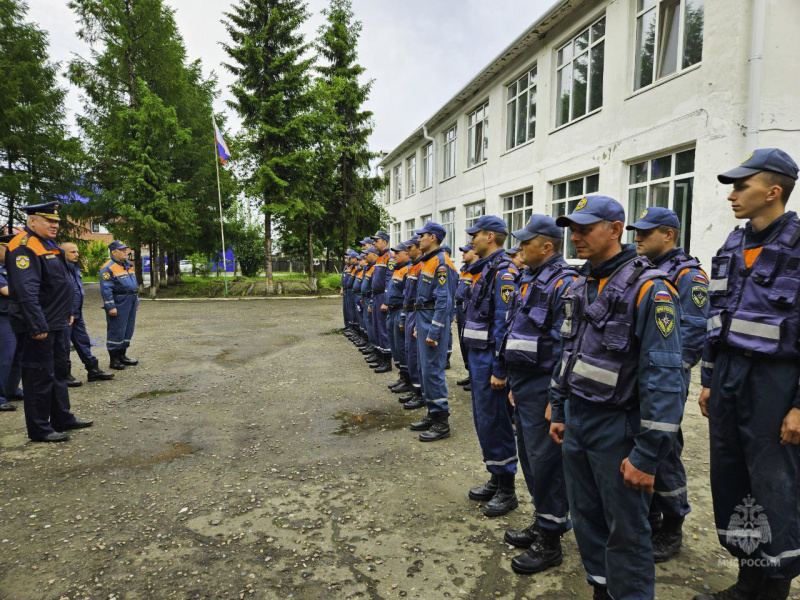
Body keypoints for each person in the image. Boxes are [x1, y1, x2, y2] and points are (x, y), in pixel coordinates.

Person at [549, 195, 685, 600]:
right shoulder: (581, 284)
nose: (576, 237)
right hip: (578, 420)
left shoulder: (650, 289)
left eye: (586, 228)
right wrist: (558, 408)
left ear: (614, 229)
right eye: (572, 229)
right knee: (587, 519)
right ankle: (602, 590)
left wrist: (648, 455)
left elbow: (665, 379)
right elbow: (568, 353)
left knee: (626, 531)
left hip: (619, 429)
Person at [696, 149, 800, 600]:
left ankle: (774, 589)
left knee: (773, 487)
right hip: (729, 379)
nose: (732, 195)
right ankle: (748, 581)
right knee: (733, 480)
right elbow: (714, 317)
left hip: (776, 382)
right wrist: (707, 378)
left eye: (742, 186)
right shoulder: (732, 246)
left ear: (773, 191)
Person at [626, 206, 708, 562]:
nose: (637, 238)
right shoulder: (641, 269)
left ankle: (673, 524)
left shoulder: (689, 275)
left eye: (646, 232)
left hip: (666, 379)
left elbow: (691, 333)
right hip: (637, 378)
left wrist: (670, 376)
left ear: (669, 235)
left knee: (665, 448)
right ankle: (651, 514)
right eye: (636, 232)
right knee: (640, 441)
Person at [501, 215, 577, 574]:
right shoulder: (528, 279)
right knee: (530, 459)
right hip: (524, 383)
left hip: (545, 386)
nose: (517, 248)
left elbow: (567, 348)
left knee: (547, 464)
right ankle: (543, 519)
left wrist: (554, 397)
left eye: (524, 242)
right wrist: (514, 382)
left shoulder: (565, 284)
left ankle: (551, 540)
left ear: (546, 246)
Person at [7, 202, 93, 442]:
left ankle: (62, 418)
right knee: (38, 377)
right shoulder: (24, 247)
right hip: (39, 326)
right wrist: (37, 325)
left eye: (56, 221)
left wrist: (66, 313)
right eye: (49, 221)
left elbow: (57, 284)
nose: (55, 225)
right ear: (32, 221)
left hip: (56, 321)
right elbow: (26, 292)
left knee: (59, 372)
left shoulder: (48, 244)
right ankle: (39, 429)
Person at [462, 215, 520, 517]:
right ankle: (496, 477)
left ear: (490, 236)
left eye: (476, 235)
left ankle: (508, 489)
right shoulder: (486, 269)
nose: (471, 240)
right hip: (478, 357)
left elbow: (505, 325)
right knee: (485, 421)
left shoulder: (504, 272)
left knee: (497, 422)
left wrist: (500, 368)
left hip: (490, 359)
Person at [409, 222, 457, 441]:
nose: (419, 239)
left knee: (433, 372)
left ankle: (441, 422)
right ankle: (432, 412)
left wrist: (434, 331)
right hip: (424, 320)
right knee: (425, 370)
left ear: (434, 238)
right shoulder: (427, 261)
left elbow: (443, 301)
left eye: (423, 235)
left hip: (433, 322)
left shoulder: (441, 262)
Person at [60, 242, 114, 386]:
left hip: (76, 313)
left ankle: (93, 370)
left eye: (77, 251)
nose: (76, 254)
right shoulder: (59, 269)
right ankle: (64, 375)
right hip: (64, 314)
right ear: (62, 253)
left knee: (83, 342)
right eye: (72, 252)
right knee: (64, 346)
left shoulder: (74, 268)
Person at [99, 241, 139, 370]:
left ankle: (122, 355)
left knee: (128, 329)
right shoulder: (108, 267)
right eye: (122, 250)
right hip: (119, 301)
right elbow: (106, 289)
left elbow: (134, 285)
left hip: (130, 299)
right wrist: (110, 306)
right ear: (113, 252)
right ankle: (114, 359)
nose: (125, 252)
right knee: (117, 329)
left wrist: (136, 301)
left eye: (125, 250)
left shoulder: (128, 265)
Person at [399, 236, 425, 410]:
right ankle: (414, 389)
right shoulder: (413, 267)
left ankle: (420, 392)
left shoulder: (423, 266)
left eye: (411, 247)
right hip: (409, 311)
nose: (407, 251)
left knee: (416, 355)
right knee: (409, 353)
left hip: (417, 313)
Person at [386, 243, 412, 393]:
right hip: (392, 311)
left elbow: (406, 297)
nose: (394, 255)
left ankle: (408, 379)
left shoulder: (407, 270)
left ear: (407, 254)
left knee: (402, 347)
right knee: (395, 347)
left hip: (399, 311)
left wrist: (402, 317)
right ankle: (402, 376)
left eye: (397, 253)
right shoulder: (398, 270)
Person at [371, 231, 394, 373]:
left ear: (385, 242)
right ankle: (380, 356)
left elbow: (389, 281)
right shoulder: (379, 258)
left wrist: (386, 301)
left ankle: (387, 361)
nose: (374, 243)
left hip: (382, 297)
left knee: (383, 330)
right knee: (377, 328)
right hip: (376, 296)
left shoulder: (389, 258)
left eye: (377, 240)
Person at [455, 243, 477, 391]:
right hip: (460, 308)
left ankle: (475, 377)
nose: (462, 254)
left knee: (470, 343)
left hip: (469, 309)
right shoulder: (464, 271)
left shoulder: (476, 272)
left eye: (465, 251)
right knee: (463, 343)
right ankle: (470, 373)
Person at [0, 234, 18, 412]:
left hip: (15, 315)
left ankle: (11, 389)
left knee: (18, 355)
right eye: (8, 248)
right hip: (2, 317)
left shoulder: (11, 268)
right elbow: (6, 291)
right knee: (4, 358)